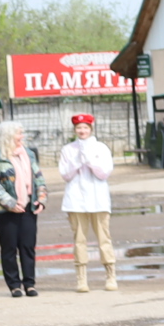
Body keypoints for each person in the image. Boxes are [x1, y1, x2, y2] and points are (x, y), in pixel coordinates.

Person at [0, 121, 44, 297]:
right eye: (19, 133)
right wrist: (10, 203)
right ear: (9, 136)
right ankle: (14, 285)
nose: (22, 136)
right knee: (9, 248)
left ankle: (30, 284)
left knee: (28, 246)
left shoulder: (29, 154)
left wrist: (41, 198)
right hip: (4, 211)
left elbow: (38, 177)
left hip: (29, 207)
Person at [59, 113, 117, 291]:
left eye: (85, 128)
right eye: (79, 128)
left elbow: (104, 173)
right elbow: (65, 175)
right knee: (79, 240)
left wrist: (90, 161)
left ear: (91, 129)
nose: (82, 131)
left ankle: (110, 276)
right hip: (76, 200)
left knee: (103, 238)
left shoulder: (101, 148)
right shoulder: (68, 149)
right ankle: (81, 279)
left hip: (98, 199)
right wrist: (77, 162)